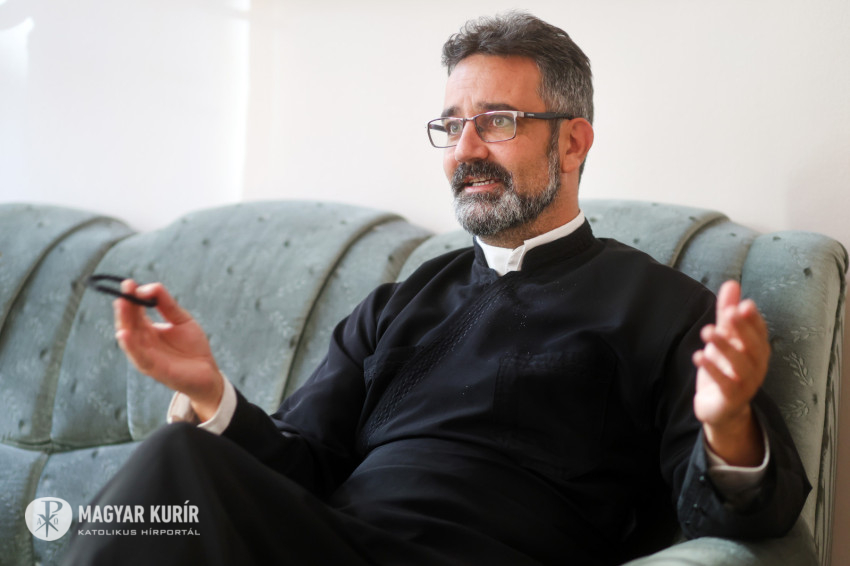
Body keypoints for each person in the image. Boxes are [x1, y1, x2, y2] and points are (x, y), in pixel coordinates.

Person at [64, 12, 810, 566]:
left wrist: (726, 423)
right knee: (179, 458)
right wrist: (208, 391)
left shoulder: (664, 308)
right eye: (452, 126)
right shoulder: (396, 305)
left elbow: (743, 518)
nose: (465, 150)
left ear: (573, 141)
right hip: (334, 546)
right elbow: (302, 466)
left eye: (497, 122)